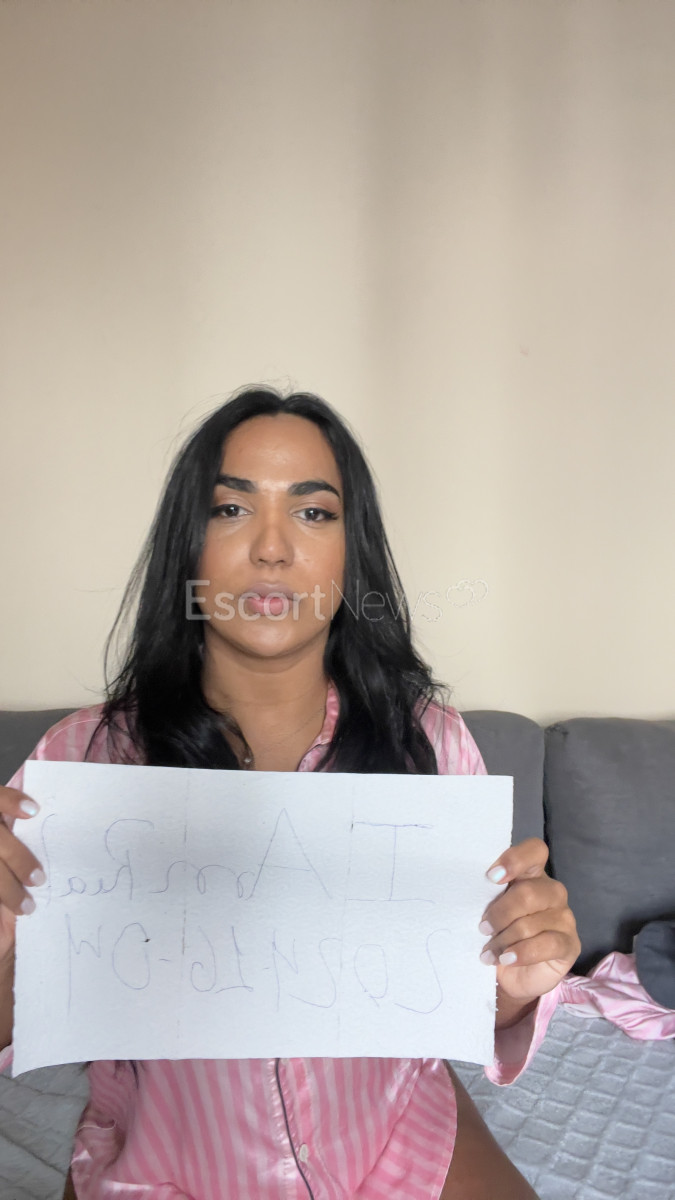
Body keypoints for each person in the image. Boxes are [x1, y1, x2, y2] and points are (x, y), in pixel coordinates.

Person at [0, 387, 580, 1199]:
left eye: (312, 513)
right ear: (187, 548)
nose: (271, 549)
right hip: (163, 1167)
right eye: (230, 508)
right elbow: (19, 1014)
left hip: (398, 1139)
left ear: (351, 553)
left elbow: (473, 1000)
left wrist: (514, 990)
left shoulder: (432, 745)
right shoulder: (83, 760)